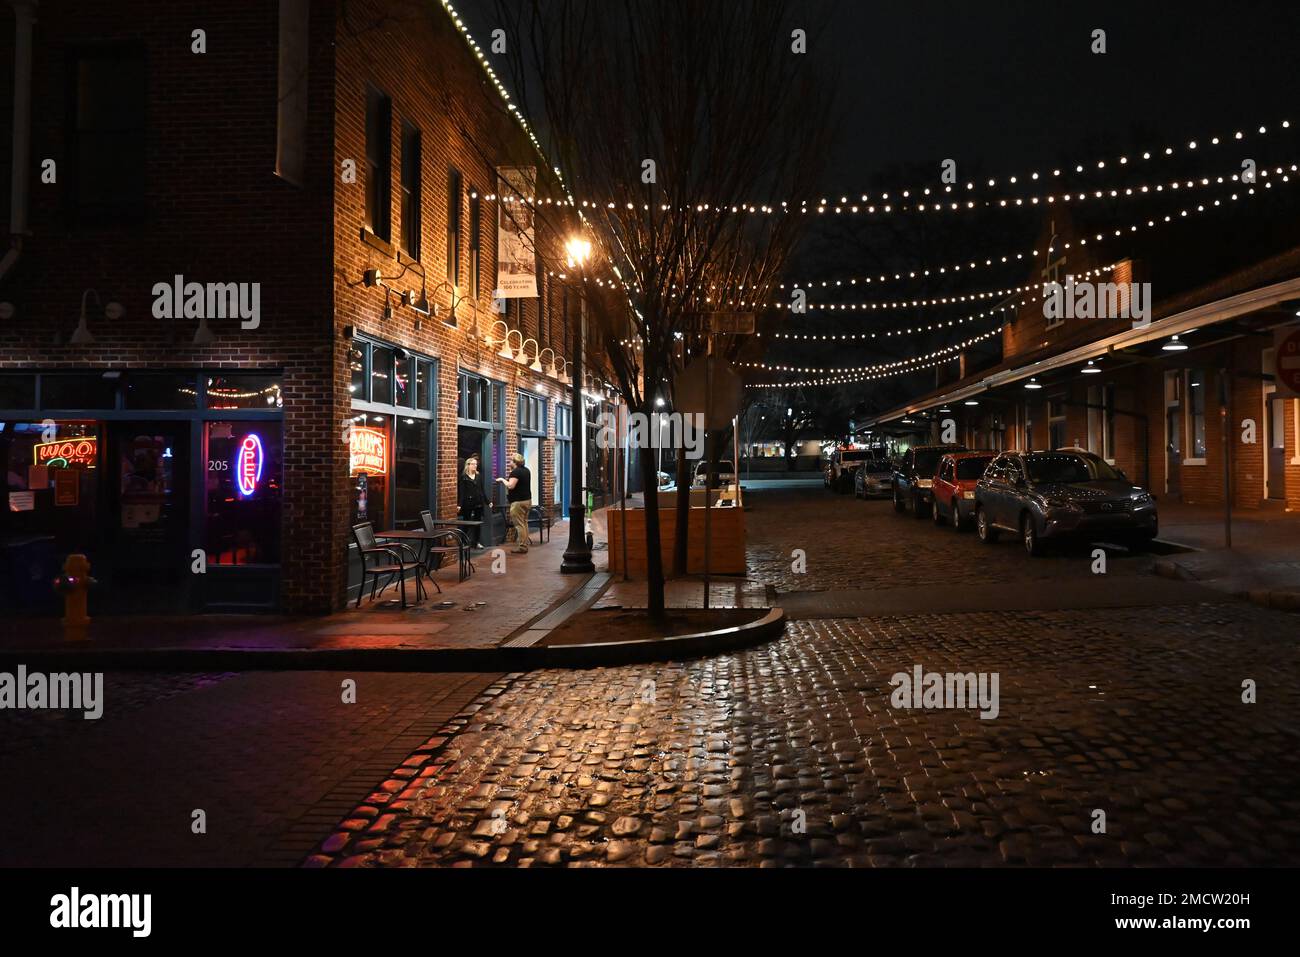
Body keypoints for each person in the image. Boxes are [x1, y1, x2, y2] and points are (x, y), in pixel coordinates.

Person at [496, 452, 532, 553]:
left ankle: (522, 547)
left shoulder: (515, 472)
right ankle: (524, 544)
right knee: (524, 523)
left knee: (519, 525)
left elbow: (511, 486)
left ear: (515, 462)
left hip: (518, 503)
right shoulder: (526, 470)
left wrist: (502, 480)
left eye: (511, 460)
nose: (509, 462)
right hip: (527, 500)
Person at [458, 456, 486, 548]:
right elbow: (461, 492)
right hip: (468, 503)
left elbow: (482, 490)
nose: (475, 466)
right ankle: (464, 541)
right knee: (466, 523)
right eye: (473, 464)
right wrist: (460, 505)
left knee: (478, 523)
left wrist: (487, 501)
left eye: (476, 464)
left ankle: (476, 542)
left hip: (478, 502)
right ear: (468, 465)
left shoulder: (478, 476)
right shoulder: (463, 477)